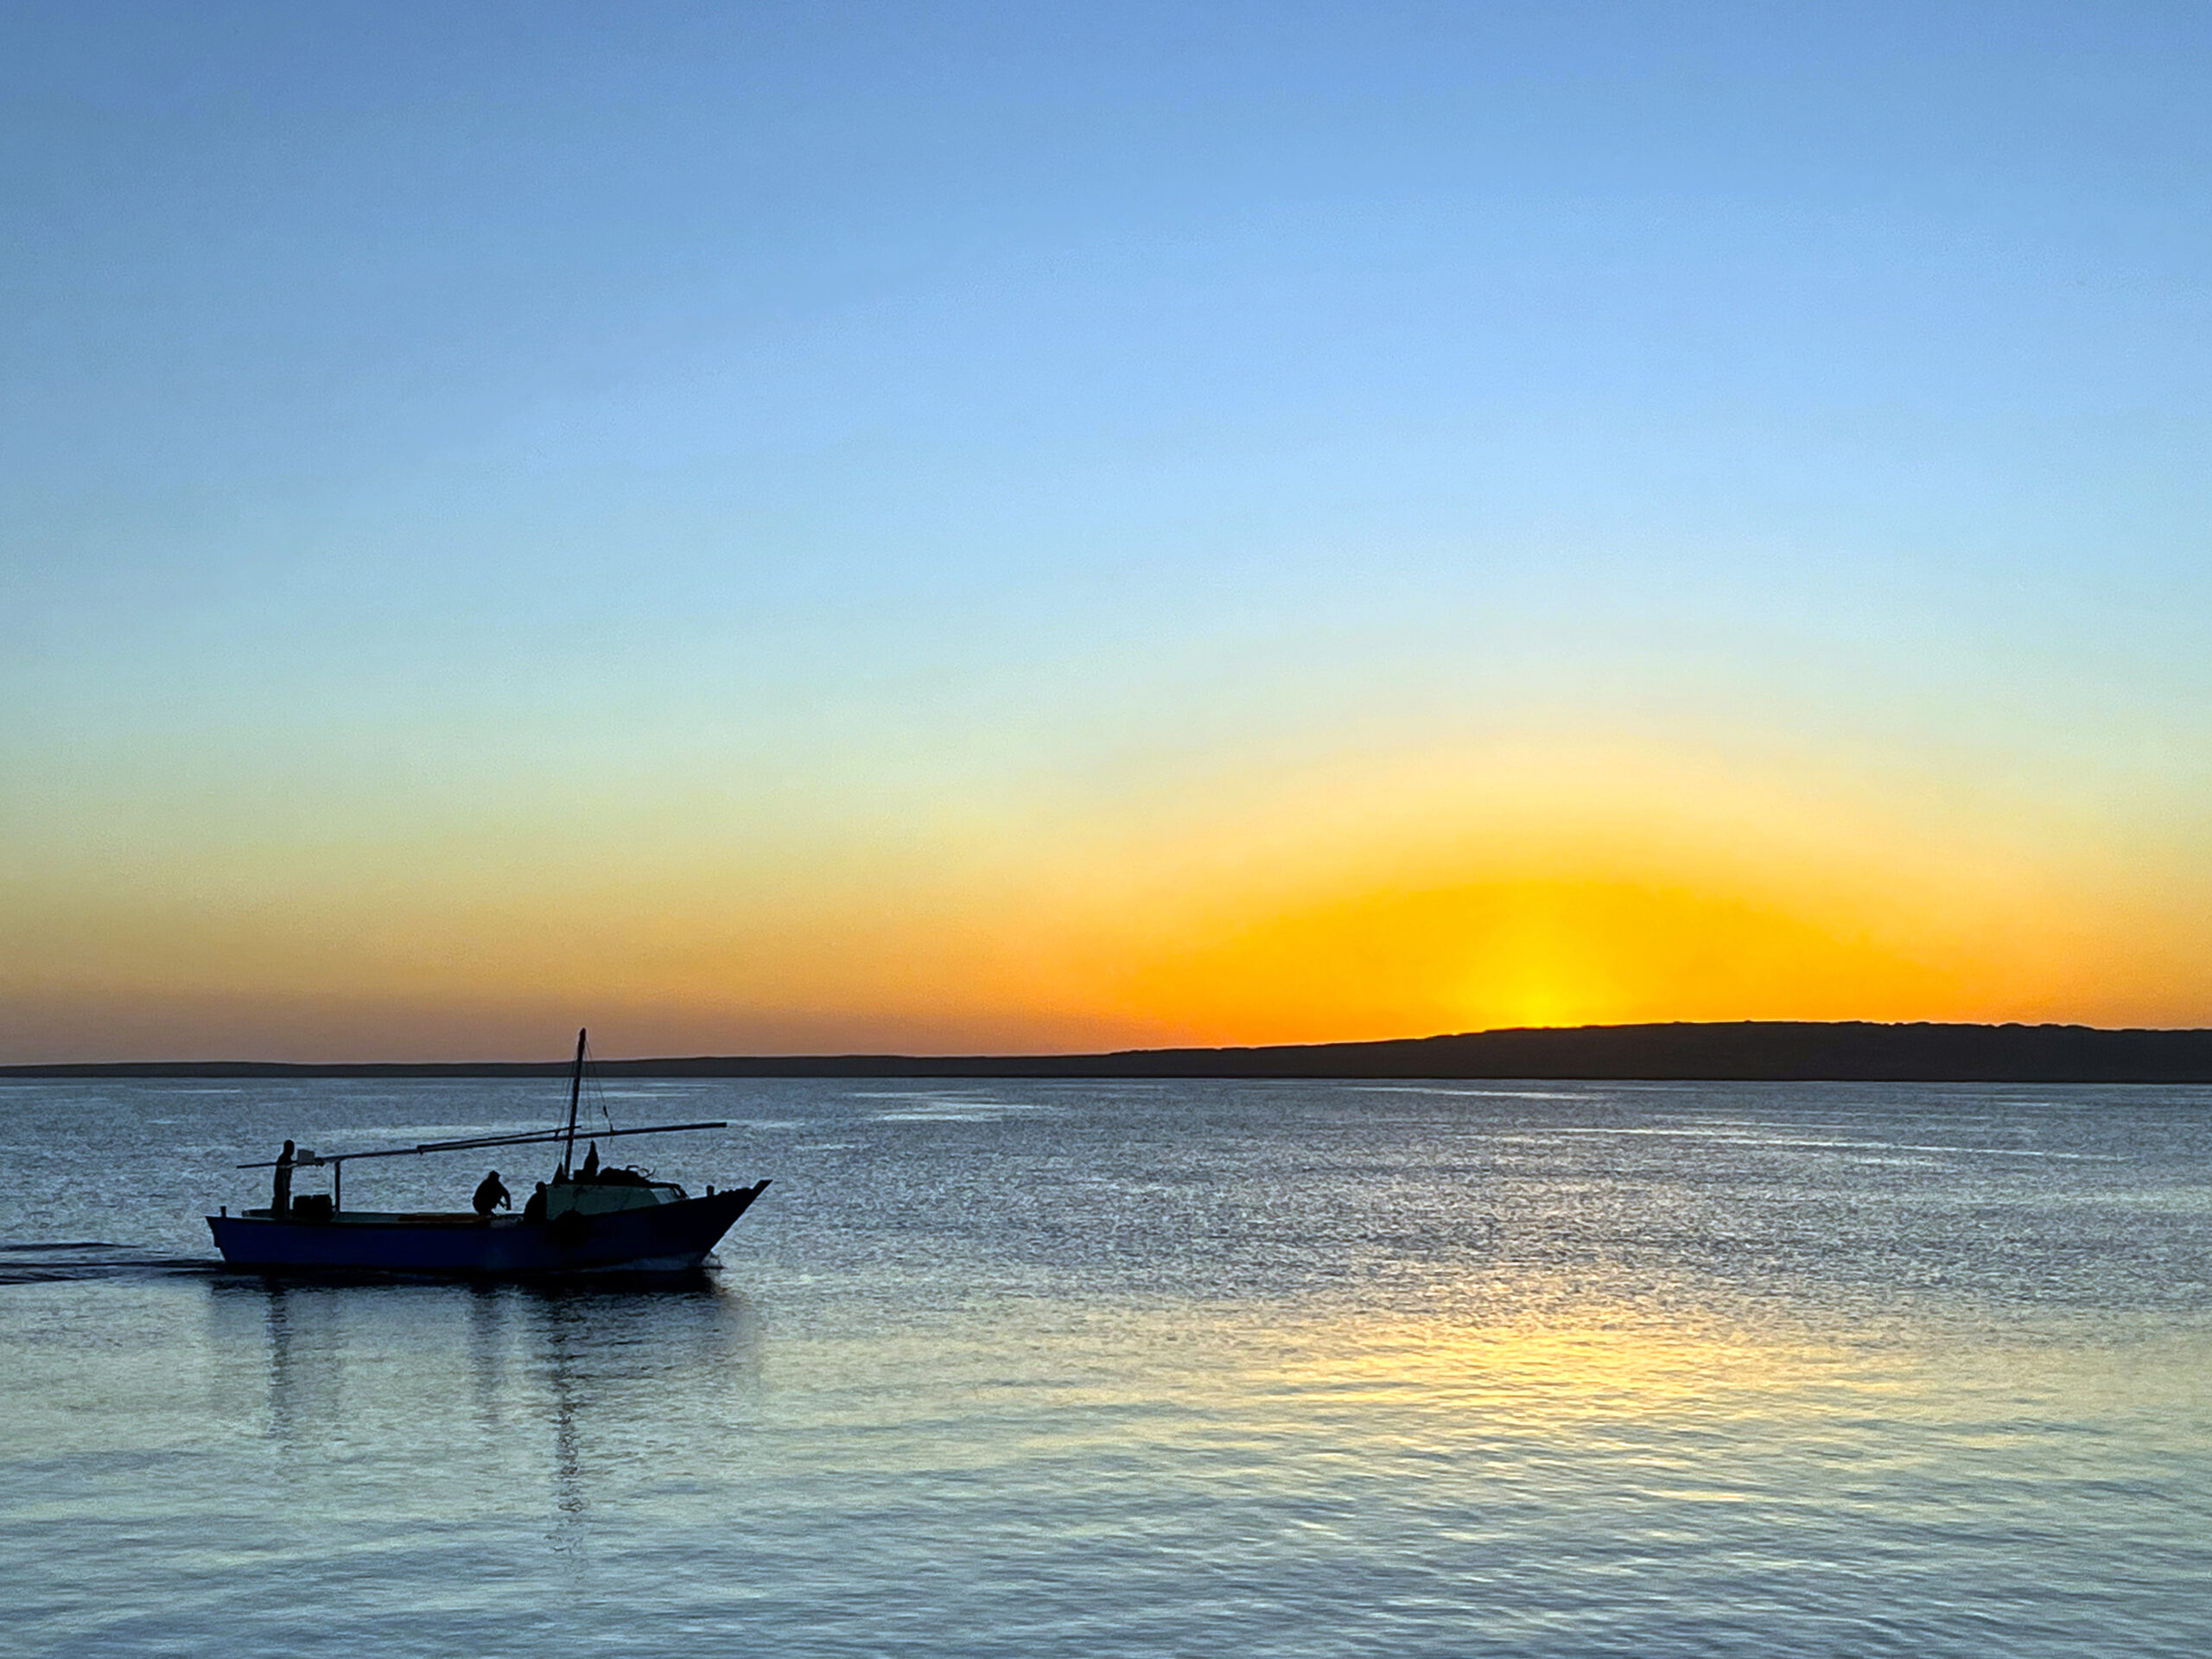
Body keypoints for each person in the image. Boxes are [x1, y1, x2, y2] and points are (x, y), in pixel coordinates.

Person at [271, 1140, 296, 1219]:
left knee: (283, 1198)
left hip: (284, 1185)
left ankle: (283, 1214)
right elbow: (284, 1167)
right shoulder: (283, 1158)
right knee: (281, 1199)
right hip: (281, 1185)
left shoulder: (287, 1158)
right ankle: (281, 1216)